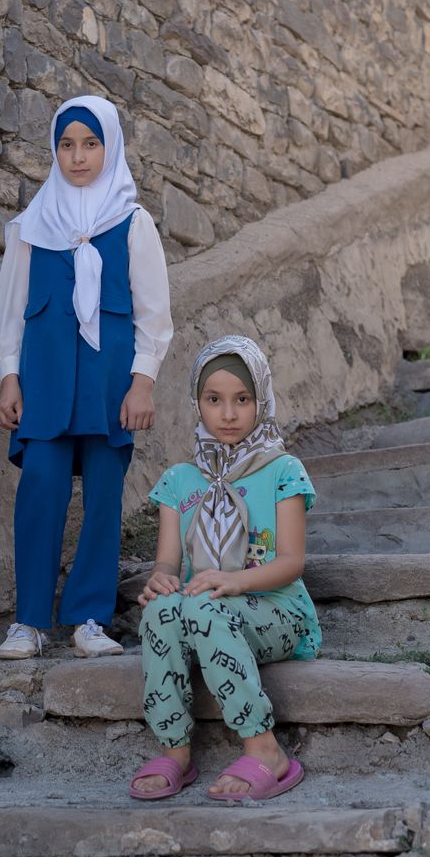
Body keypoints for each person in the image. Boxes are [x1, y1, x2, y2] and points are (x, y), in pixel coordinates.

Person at [0, 94, 173, 659]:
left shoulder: (132, 222)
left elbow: (154, 312)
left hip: (108, 385)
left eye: (90, 143)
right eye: (66, 144)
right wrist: (9, 375)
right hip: (44, 381)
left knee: (103, 495)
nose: (78, 156)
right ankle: (28, 621)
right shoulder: (31, 225)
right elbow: (11, 307)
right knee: (40, 488)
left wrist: (142, 380)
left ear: (110, 146)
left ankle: (89, 617)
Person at [130, 335, 321, 802]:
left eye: (242, 399)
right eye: (214, 400)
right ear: (197, 402)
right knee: (162, 611)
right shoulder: (180, 481)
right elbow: (168, 561)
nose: (229, 414)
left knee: (203, 608)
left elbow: (292, 564)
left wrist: (234, 581)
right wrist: (161, 579)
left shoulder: (282, 470)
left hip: (276, 611)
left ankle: (266, 749)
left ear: (262, 399)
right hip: (208, 607)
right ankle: (174, 751)